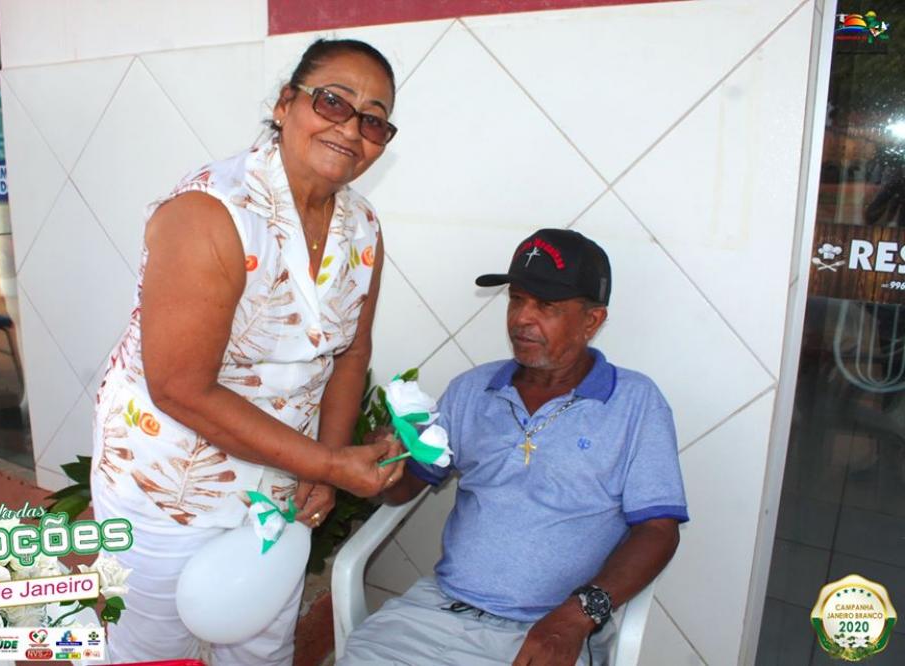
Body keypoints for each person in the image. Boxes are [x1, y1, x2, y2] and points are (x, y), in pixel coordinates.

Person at [90, 39, 406, 665]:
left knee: (261, 641)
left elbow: (350, 353)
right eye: (333, 101)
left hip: (279, 476)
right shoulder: (211, 213)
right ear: (286, 103)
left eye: (373, 120)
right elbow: (180, 387)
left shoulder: (363, 228)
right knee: (155, 649)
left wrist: (322, 467)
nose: (351, 128)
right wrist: (328, 462)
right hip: (169, 481)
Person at [340, 229, 688, 666]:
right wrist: (383, 467)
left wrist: (577, 617)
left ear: (592, 321)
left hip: (547, 631)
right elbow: (406, 486)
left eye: (547, 306)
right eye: (517, 299)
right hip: (434, 614)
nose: (522, 318)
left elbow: (658, 531)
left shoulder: (635, 404)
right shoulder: (472, 390)